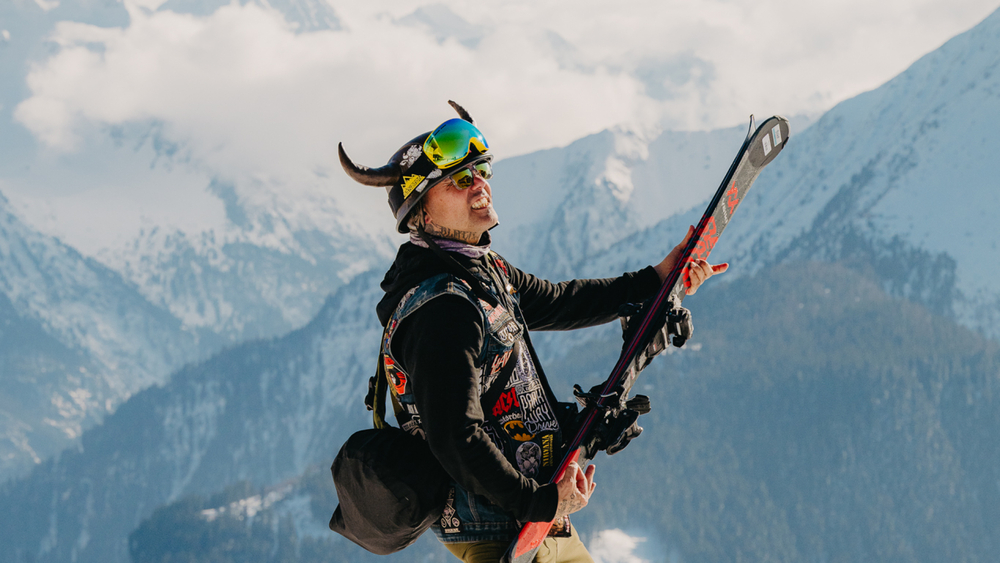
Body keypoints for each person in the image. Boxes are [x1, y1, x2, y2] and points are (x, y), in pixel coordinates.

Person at [339, 101, 727, 563]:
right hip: (499, 528)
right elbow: (456, 436)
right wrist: (541, 502)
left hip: (535, 520)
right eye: (460, 180)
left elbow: (561, 300)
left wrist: (656, 278)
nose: (480, 184)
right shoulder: (443, 308)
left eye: (480, 170)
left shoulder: (481, 271)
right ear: (420, 211)